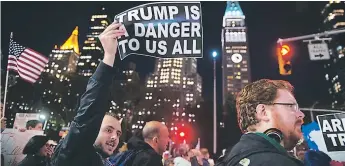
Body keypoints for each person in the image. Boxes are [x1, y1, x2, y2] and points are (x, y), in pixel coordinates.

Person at [50, 21, 125, 166]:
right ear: (93, 128)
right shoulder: (73, 153)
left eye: (118, 133)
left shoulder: (103, 161)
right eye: (108, 130)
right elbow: (89, 114)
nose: (114, 137)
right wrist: (109, 57)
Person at [217, 79, 305, 166]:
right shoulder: (276, 162)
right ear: (263, 112)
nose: (301, 114)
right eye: (291, 106)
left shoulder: (230, 159)